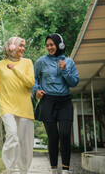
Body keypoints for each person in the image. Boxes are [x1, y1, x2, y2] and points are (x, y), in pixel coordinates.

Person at [32, 33, 79, 174]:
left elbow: (74, 82)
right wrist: (36, 91)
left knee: (64, 134)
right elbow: (34, 78)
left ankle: (65, 169)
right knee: (53, 137)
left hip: (64, 102)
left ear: (60, 45)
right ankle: (53, 168)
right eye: (47, 45)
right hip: (48, 101)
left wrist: (65, 70)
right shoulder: (41, 61)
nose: (49, 47)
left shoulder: (69, 62)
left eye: (52, 44)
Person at [0, 36, 35, 174]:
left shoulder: (28, 62)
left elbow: (30, 83)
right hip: (7, 105)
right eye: (20, 45)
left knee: (24, 142)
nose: (22, 48)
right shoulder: (0, 65)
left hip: (24, 107)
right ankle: (10, 169)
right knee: (12, 135)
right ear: (11, 46)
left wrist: (14, 69)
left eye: (23, 46)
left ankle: (23, 171)